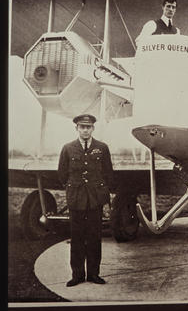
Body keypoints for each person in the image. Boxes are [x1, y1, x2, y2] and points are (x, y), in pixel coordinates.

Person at [58, 114, 114, 287]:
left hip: (95, 200)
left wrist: (103, 192)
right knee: (76, 238)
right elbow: (62, 173)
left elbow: (108, 172)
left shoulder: (102, 148)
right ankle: (77, 275)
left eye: (88, 127)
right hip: (76, 199)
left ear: (93, 129)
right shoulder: (68, 148)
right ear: (77, 128)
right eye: (82, 127)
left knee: (94, 237)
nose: (85, 130)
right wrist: (72, 188)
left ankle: (93, 274)